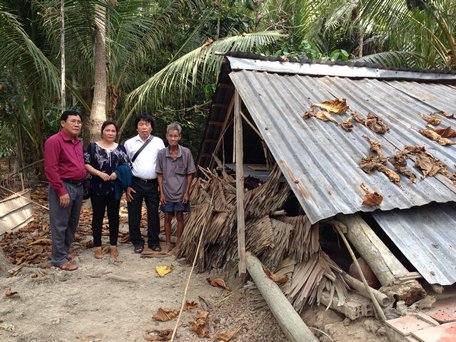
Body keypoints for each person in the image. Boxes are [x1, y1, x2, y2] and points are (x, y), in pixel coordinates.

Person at [44, 110, 86, 271]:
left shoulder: (77, 141)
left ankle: (63, 251)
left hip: (78, 187)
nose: (77, 124)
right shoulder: (54, 141)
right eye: (73, 121)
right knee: (60, 223)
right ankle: (58, 258)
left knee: (72, 223)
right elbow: (51, 168)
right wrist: (61, 191)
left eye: (79, 122)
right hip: (63, 186)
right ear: (63, 123)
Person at [84, 120, 131, 261]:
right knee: (97, 216)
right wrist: (99, 173)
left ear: (116, 133)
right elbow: (86, 164)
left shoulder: (121, 148)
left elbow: (127, 165)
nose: (110, 133)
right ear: (102, 131)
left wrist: (117, 174)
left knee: (114, 217)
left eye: (113, 131)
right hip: (97, 187)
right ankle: (97, 246)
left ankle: (113, 245)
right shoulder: (93, 147)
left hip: (114, 188)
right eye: (107, 130)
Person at [124, 114, 165, 253]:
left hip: (153, 183)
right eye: (141, 124)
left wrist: (161, 185)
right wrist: (127, 185)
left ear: (151, 127)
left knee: (153, 213)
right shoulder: (129, 143)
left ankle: (154, 241)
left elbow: (162, 164)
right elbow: (125, 165)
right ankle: (137, 242)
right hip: (135, 183)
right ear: (136, 127)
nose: (144, 127)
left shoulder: (158, 142)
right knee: (134, 213)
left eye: (147, 124)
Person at [156, 122, 196, 252]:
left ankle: (178, 243)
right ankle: (168, 243)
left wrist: (187, 192)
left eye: (175, 136)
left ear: (179, 137)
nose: (173, 138)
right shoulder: (162, 154)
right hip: (167, 192)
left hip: (180, 192)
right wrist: (161, 193)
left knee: (179, 216)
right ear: (166, 136)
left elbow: (190, 173)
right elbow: (160, 174)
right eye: (171, 136)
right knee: (167, 217)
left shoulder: (186, 153)